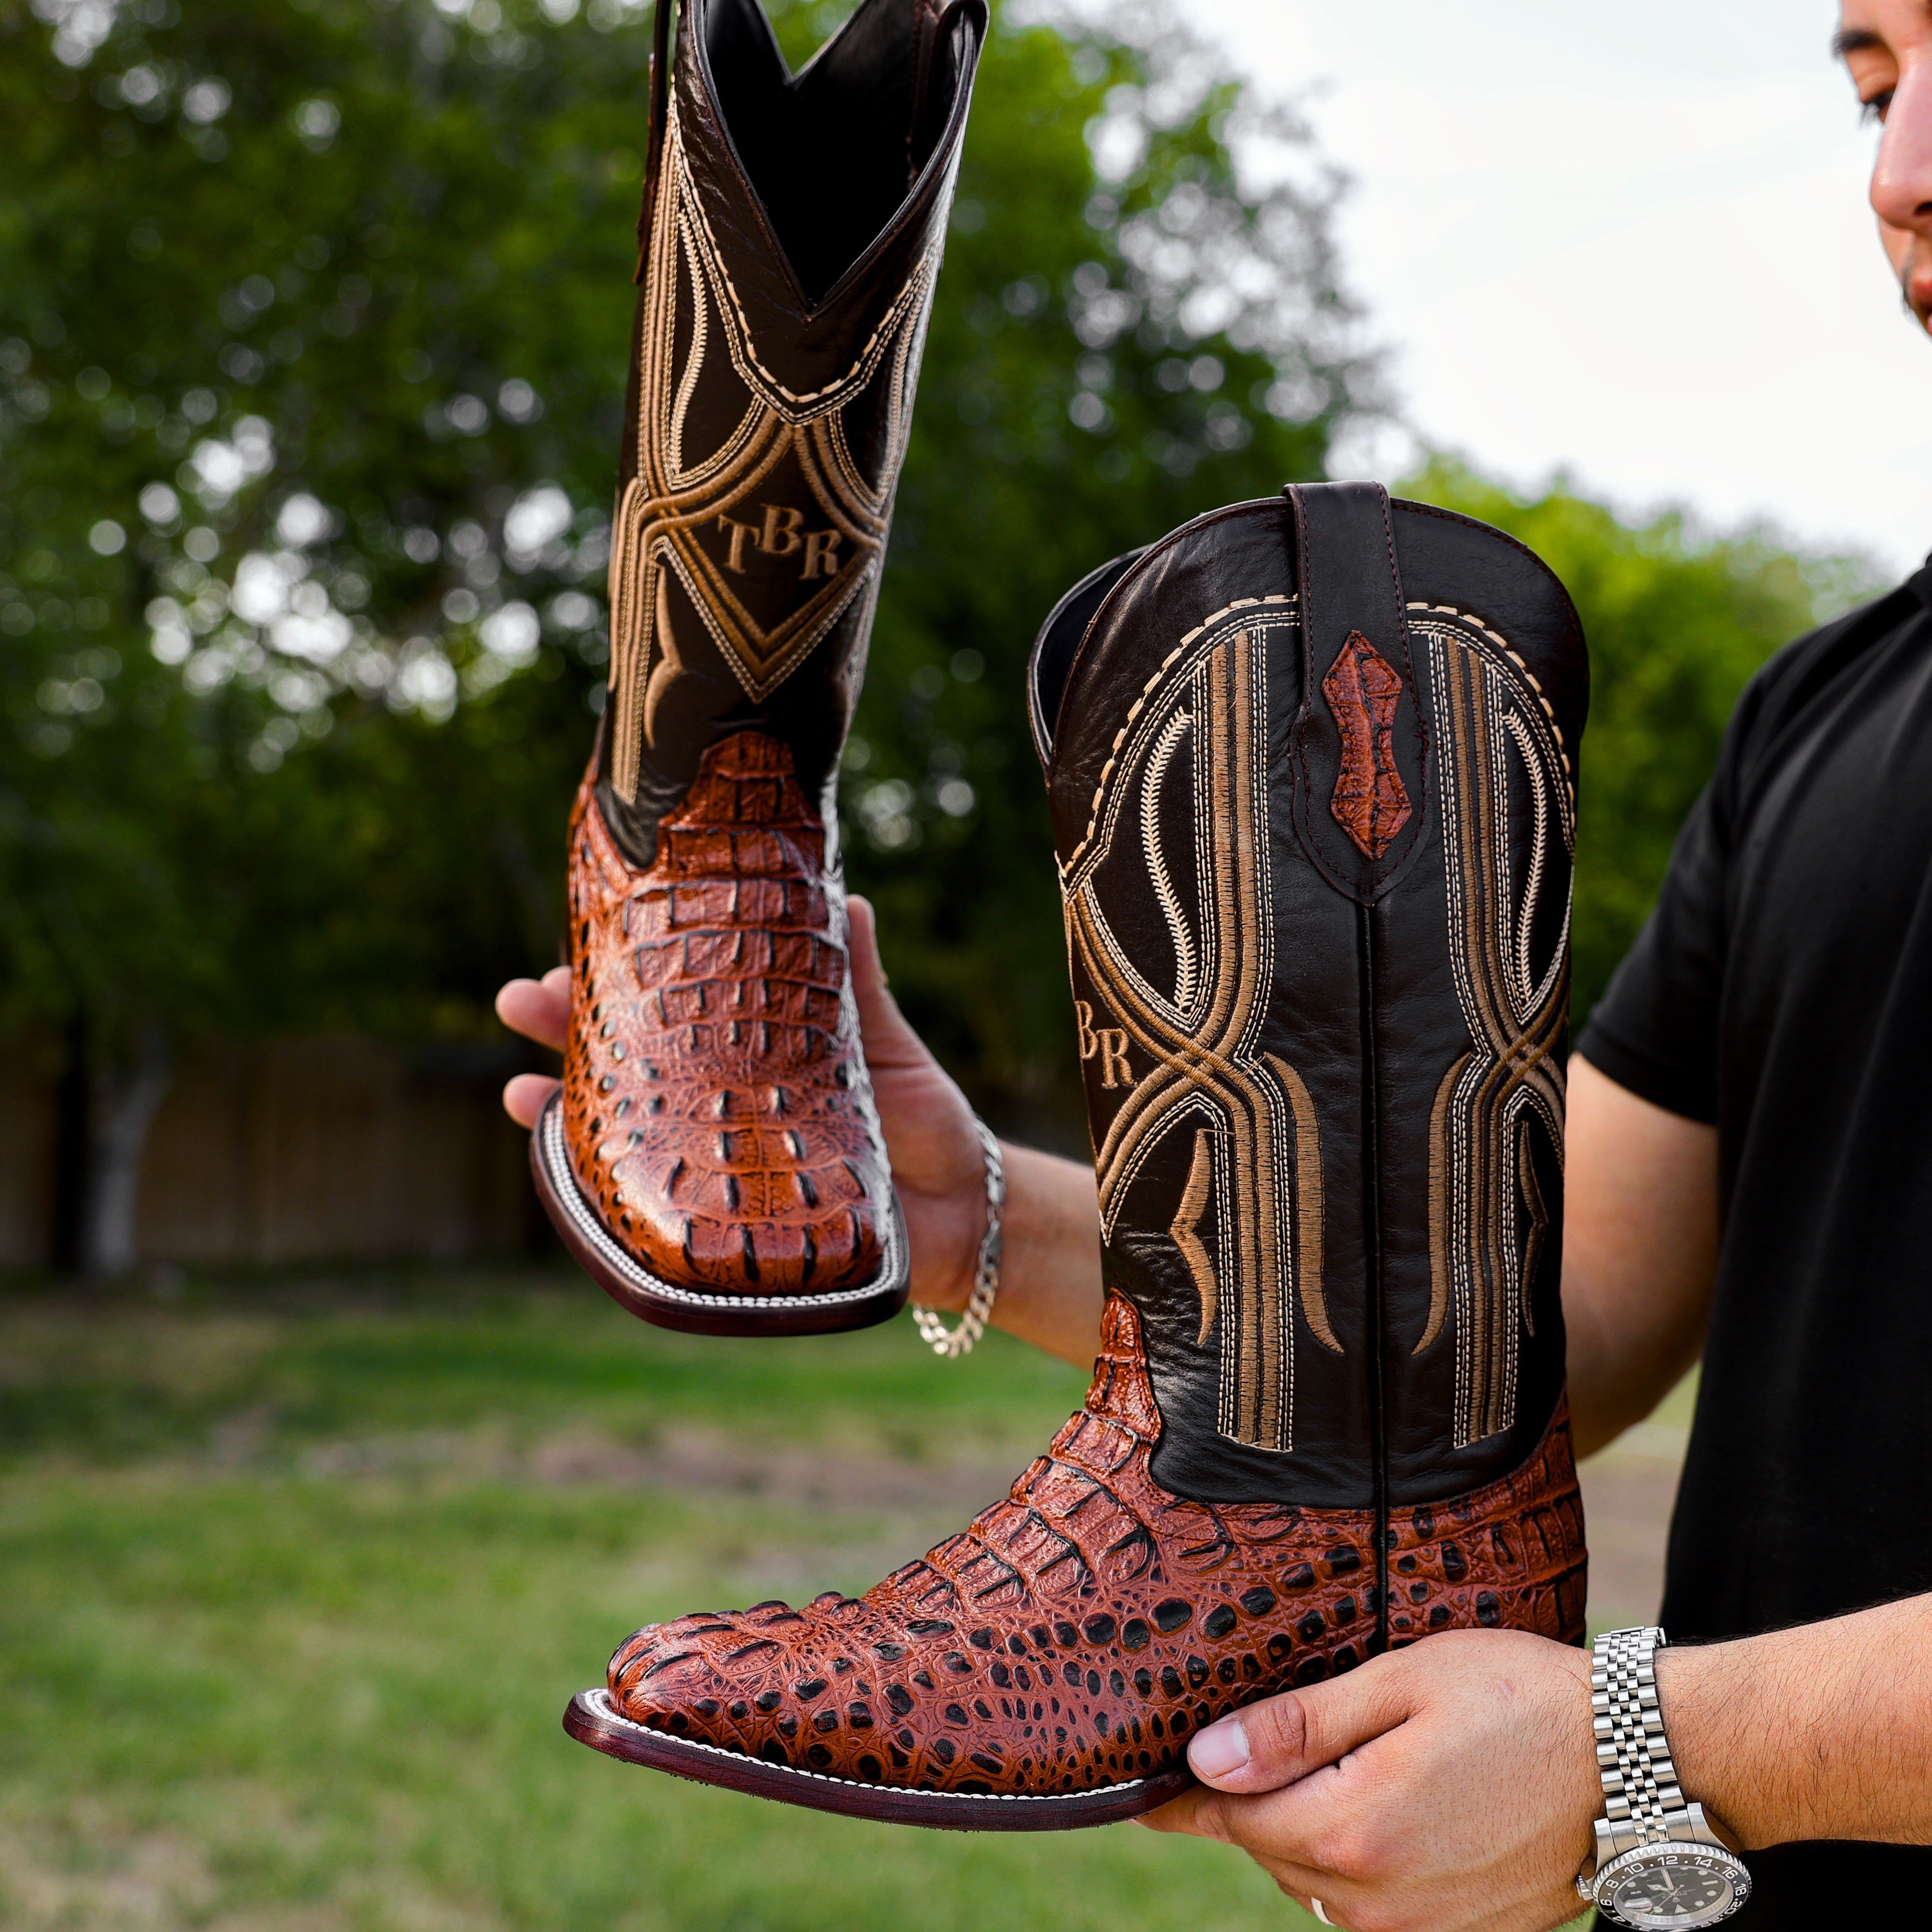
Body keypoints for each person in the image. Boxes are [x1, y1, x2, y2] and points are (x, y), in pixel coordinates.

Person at [499, 3, 1932, 1922]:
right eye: (1868, 87)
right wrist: (981, 1213)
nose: (1898, 171)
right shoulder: (1830, 721)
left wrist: (1640, 1747)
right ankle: (709, 813)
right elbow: (1510, 1327)